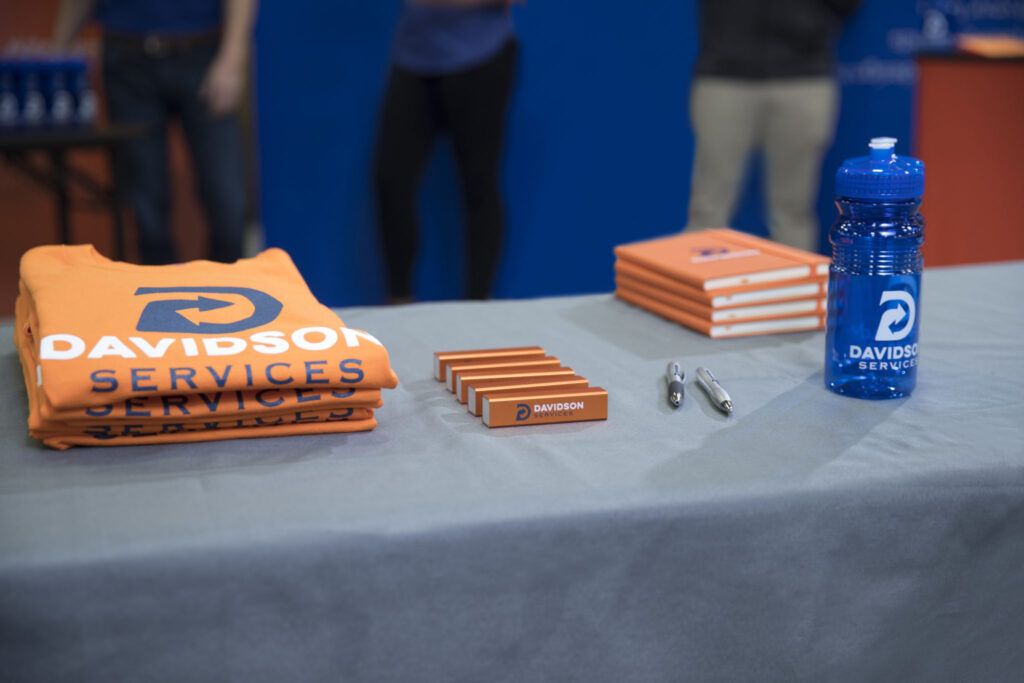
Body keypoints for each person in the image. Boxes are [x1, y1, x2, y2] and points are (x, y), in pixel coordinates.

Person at [53, 0, 258, 265]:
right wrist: (58, 49)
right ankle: (159, 299)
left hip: (203, 52)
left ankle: (230, 293)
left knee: (227, 199)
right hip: (127, 57)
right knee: (145, 204)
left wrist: (233, 58)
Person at [685, 0, 861, 253]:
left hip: (804, 75)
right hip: (723, 74)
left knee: (793, 209)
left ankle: (797, 290)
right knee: (708, 207)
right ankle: (694, 288)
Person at [374, 0, 518, 302]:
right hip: (413, 58)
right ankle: (398, 303)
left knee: (479, 183)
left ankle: (478, 306)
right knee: (390, 181)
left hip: (481, 57)